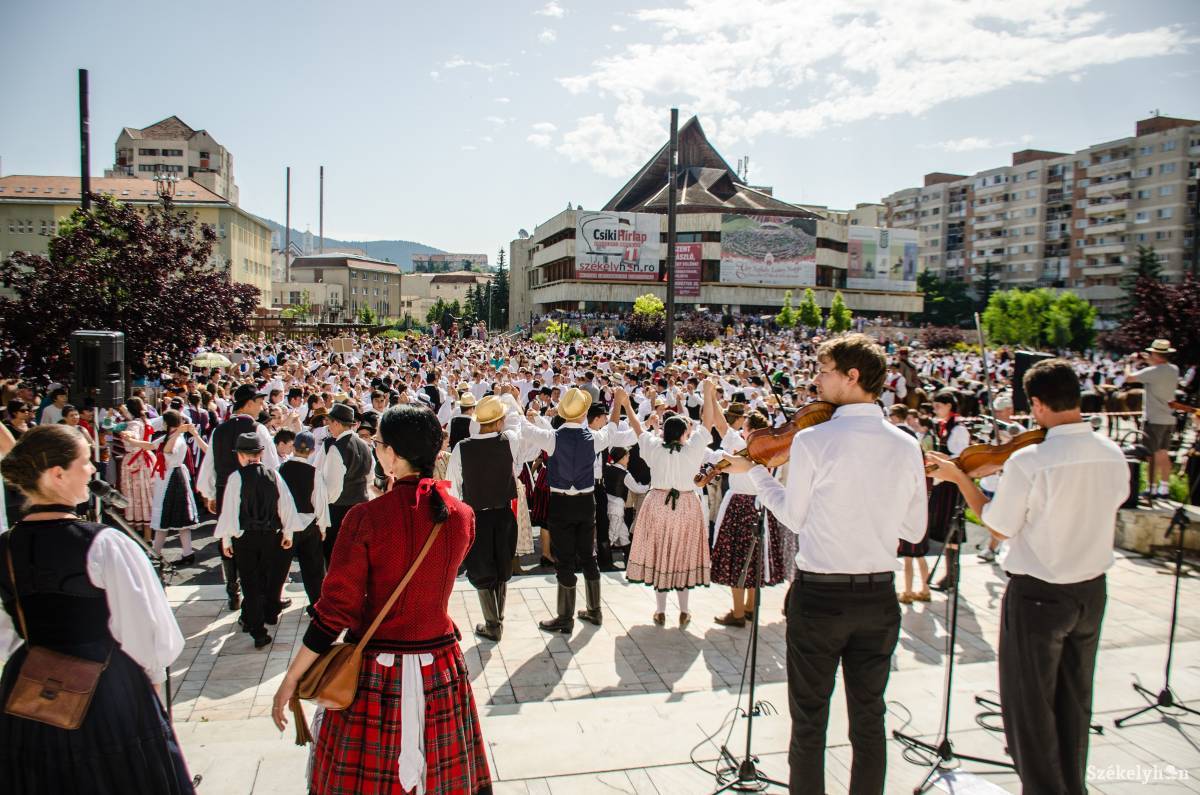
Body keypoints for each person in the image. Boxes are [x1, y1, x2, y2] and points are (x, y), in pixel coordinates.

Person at [721, 333, 927, 795]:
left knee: (810, 721)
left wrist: (754, 472)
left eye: (823, 370)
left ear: (851, 377)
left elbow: (793, 515)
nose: (815, 379)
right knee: (870, 720)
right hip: (878, 596)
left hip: (820, 594)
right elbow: (915, 531)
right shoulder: (905, 443)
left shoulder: (815, 438)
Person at [926, 358, 1128, 794]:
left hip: (1039, 594)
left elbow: (999, 524)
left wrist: (959, 477)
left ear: (1036, 405)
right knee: (1074, 702)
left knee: (1029, 711)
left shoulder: (1031, 459)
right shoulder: (1112, 454)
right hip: (1091, 591)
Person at [271, 405, 492, 795]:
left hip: (377, 671)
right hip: (439, 665)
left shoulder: (365, 518)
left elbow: (335, 611)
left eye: (379, 445)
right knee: (443, 777)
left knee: (368, 781)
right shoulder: (462, 516)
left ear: (391, 454)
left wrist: (292, 677)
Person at [0, 424, 194, 793]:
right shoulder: (104, 545)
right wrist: (149, 691)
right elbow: (149, 634)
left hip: (30, 694)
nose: (93, 470)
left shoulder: (5, 547)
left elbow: (5, 635)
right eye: (86, 462)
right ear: (57, 475)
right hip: (108, 692)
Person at [520, 387, 637, 633]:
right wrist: (617, 402)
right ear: (584, 413)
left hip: (561, 503)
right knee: (588, 556)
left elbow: (524, 427)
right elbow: (613, 427)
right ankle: (595, 611)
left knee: (564, 558)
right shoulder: (592, 439)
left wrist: (511, 399)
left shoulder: (552, 438)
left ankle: (566, 617)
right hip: (586, 502)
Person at [216, 433, 306, 648]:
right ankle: (252, 620)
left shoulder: (236, 478)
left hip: (245, 537)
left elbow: (229, 511)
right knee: (263, 580)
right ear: (261, 454)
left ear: (241, 455)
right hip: (269, 536)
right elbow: (285, 506)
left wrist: (226, 540)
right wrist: (287, 534)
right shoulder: (273, 475)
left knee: (249, 581)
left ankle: (256, 627)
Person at [625, 409, 713, 628]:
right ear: (684, 433)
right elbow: (709, 422)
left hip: (658, 503)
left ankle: (661, 610)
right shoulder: (693, 449)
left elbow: (637, 428)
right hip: (686, 504)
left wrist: (626, 404)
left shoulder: (655, 447)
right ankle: (684, 610)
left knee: (660, 553)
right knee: (682, 554)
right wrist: (710, 393)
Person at [446, 393, 521, 641]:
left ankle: (493, 623)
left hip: (476, 515)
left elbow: (453, 488)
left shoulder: (462, 447)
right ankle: (496, 620)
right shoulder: (509, 440)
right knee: (502, 565)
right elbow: (519, 463)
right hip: (503, 513)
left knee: (482, 568)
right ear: (499, 421)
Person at [198, 384, 278, 610]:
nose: (261, 406)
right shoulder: (257, 429)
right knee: (253, 537)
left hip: (225, 490)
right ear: (249, 402)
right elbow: (272, 466)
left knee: (227, 536)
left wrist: (210, 493)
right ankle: (255, 590)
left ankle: (233, 589)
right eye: (259, 402)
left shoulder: (219, 431)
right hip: (254, 493)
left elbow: (209, 466)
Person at [276, 432, 329, 616]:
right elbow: (320, 502)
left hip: (286, 525)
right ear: (313, 450)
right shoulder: (314, 473)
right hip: (309, 525)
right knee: (313, 568)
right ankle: (317, 606)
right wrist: (323, 527)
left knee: (280, 567)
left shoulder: (281, 469)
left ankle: (273, 603)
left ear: (294, 447)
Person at [1123, 339, 1181, 499]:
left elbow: (1129, 378)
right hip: (1168, 419)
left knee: (1151, 455)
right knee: (1163, 453)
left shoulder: (1152, 372)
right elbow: (1158, 367)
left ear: (1155, 354)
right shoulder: (1173, 369)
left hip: (1154, 419)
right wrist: (1147, 359)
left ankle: (1151, 488)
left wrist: (1129, 363)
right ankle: (1164, 488)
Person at [927, 391, 971, 593]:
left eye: (938, 406)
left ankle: (952, 576)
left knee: (951, 527)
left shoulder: (958, 429)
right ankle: (949, 575)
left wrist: (942, 458)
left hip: (952, 483)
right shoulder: (945, 426)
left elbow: (960, 456)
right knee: (946, 527)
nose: (935, 410)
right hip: (944, 480)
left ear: (948, 406)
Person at [150, 409, 206, 566]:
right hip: (171, 478)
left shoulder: (177, 439)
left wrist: (178, 432)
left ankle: (157, 553)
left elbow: (166, 450)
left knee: (167, 518)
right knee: (178, 520)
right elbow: (151, 445)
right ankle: (184, 552)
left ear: (167, 423)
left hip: (173, 479)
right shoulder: (173, 436)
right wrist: (132, 440)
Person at [321, 403, 372, 566]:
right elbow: (370, 477)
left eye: (330, 423)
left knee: (337, 558)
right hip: (362, 505)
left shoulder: (337, 448)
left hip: (340, 509)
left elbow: (333, 489)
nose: (329, 427)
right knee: (358, 556)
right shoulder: (365, 446)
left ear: (336, 423)